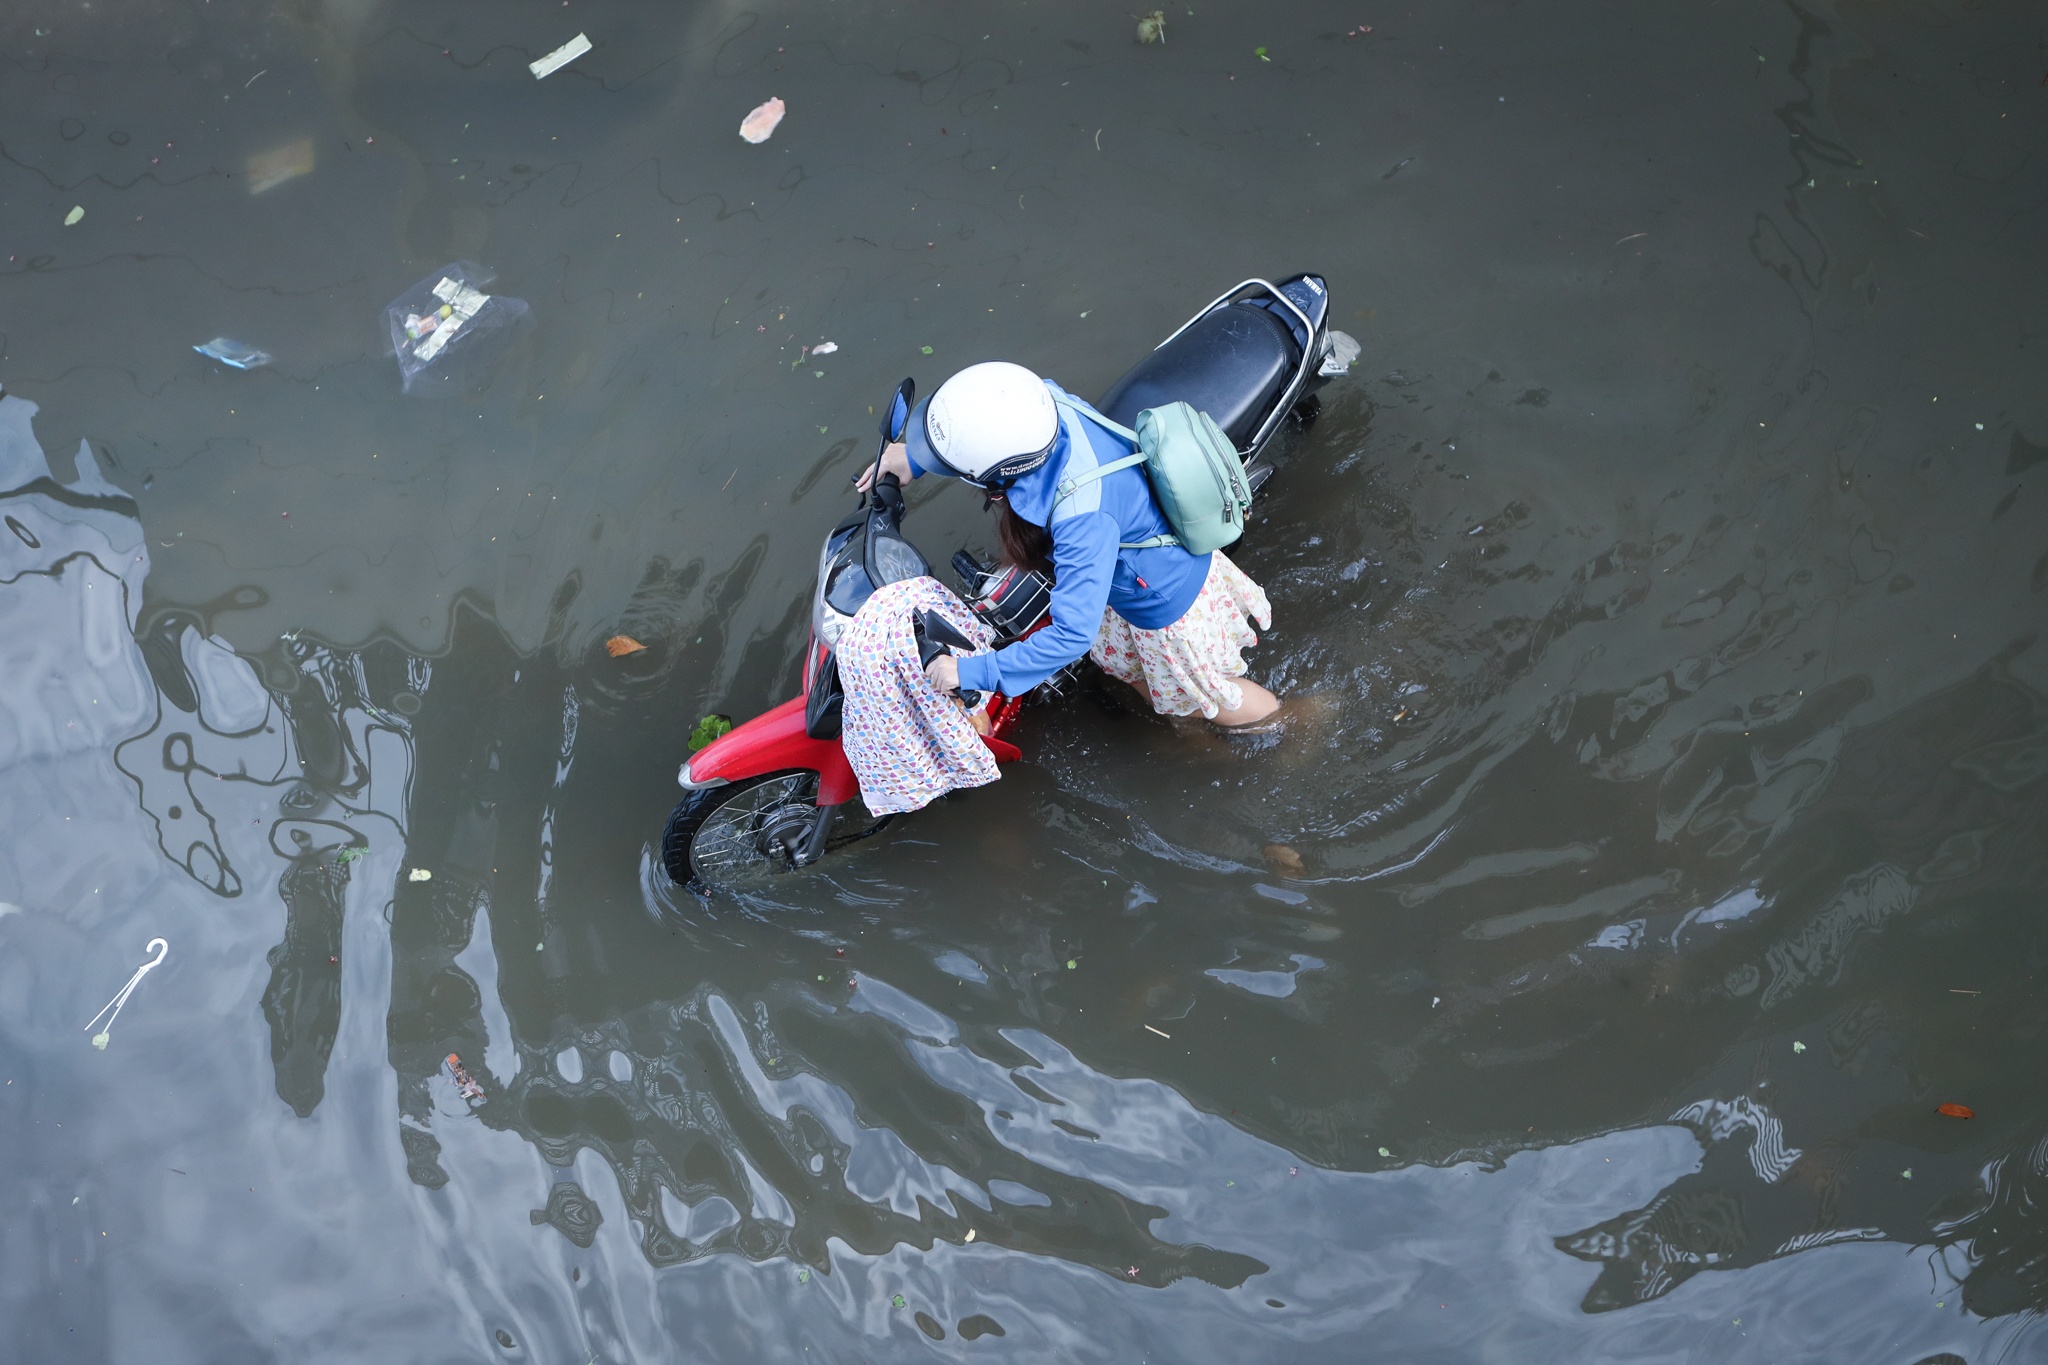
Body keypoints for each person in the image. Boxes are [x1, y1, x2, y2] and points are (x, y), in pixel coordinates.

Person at [857, 361, 1280, 729]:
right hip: (1125, 572)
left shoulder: (1081, 519)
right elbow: (986, 436)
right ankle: (1178, 714)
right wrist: (912, 457)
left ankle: (1292, 721)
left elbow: (1072, 635)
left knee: (1212, 700)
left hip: (1165, 602)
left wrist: (972, 671)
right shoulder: (1039, 403)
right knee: (1151, 685)